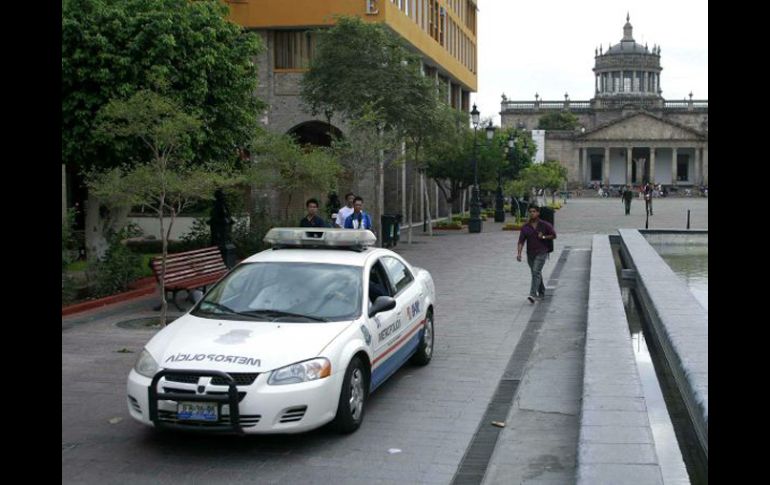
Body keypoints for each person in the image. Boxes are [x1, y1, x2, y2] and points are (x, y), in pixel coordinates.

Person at [516, 205, 556, 304]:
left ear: (538, 213)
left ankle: (532, 294)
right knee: (536, 273)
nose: (532, 213)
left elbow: (554, 235)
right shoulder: (525, 227)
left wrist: (543, 237)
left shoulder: (545, 225)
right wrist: (519, 253)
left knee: (535, 271)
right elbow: (521, 241)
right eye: (530, 211)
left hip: (542, 252)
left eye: (534, 211)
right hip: (530, 253)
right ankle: (542, 292)